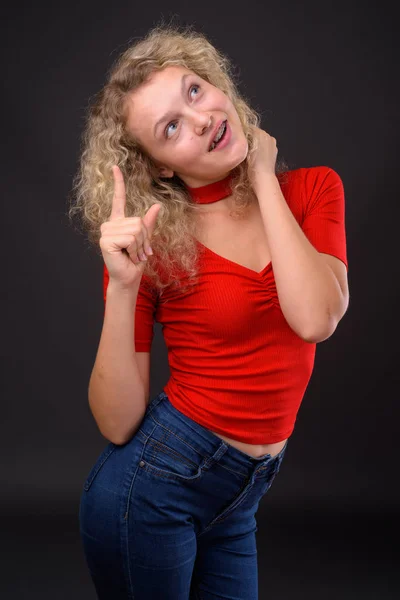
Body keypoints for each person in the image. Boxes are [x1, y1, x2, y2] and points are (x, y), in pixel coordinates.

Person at [69, 20, 349, 600]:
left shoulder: (314, 190)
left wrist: (262, 178)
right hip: (152, 488)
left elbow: (316, 317)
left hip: (238, 500)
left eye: (194, 91)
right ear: (161, 166)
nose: (201, 120)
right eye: (171, 127)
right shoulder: (152, 241)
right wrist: (123, 287)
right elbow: (117, 422)